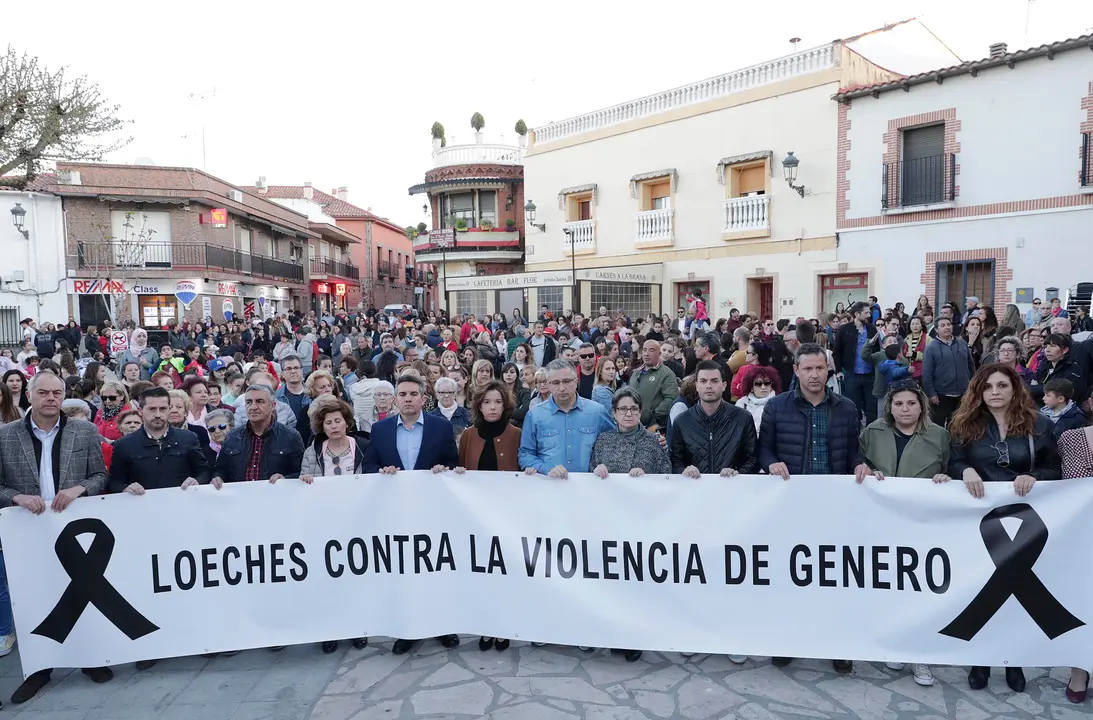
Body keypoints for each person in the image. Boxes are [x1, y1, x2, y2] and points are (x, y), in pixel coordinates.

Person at [0, 371, 113, 704]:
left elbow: (100, 475)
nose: (51, 398)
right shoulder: (5, 436)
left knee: (83, 594)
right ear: (29, 395)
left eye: (57, 393)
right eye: (44, 393)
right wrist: (15, 497)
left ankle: (89, 660)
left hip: (74, 527)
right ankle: (39, 668)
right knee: (35, 599)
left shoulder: (85, 430)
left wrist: (80, 488)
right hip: (28, 532)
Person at [947, 363, 1060, 692]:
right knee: (984, 590)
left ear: (1015, 389)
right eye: (988, 387)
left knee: (1015, 595)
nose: (995, 392)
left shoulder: (1039, 424)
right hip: (980, 521)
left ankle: (1014, 659)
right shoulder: (965, 424)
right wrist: (964, 470)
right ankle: (980, 658)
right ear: (979, 392)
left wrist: (1035, 476)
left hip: (1025, 520)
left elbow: (1055, 467)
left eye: (1002, 385)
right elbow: (954, 461)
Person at [758, 343, 867, 673]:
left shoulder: (846, 407)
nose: (815, 374)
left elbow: (853, 452)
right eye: (808, 368)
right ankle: (789, 640)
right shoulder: (777, 407)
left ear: (828, 370)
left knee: (834, 578)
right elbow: (764, 449)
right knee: (791, 577)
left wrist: (861, 465)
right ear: (797, 370)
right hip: (792, 507)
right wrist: (772, 463)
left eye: (820, 368)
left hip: (834, 506)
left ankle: (837, 644)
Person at [107, 386, 210, 669]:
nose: (158, 414)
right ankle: (152, 645)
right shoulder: (125, 446)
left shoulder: (188, 439)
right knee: (149, 587)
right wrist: (125, 487)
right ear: (141, 411)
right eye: (152, 409)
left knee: (188, 583)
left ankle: (198, 638)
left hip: (183, 526)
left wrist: (196, 481)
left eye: (163, 408)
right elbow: (112, 482)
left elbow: (204, 469)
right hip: (144, 532)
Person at [855, 380, 949, 687]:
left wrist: (945, 476)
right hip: (881, 522)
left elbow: (953, 468)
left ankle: (919, 654)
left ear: (921, 405)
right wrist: (867, 470)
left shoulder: (939, 436)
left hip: (921, 524)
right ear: (889, 407)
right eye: (899, 404)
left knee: (918, 589)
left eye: (911, 403)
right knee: (888, 586)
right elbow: (860, 463)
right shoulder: (872, 433)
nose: (905, 409)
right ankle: (895, 643)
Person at [362, 374, 459, 655]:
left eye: (413, 394)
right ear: (395, 399)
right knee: (404, 572)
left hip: (432, 511)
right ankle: (408, 629)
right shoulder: (380, 430)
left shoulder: (441, 428)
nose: (407, 399)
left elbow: (453, 463)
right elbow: (369, 467)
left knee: (435, 570)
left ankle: (443, 625)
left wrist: (444, 469)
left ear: (423, 398)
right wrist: (382, 473)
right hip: (396, 513)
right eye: (402, 394)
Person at [451, 380, 522, 652]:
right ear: (479, 405)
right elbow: (461, 465)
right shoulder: (469, 434)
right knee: (482, 572)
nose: (492, 407)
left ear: (505, 405)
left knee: (504, 572)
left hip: (508, 516)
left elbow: (524, 462)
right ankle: (486, 626)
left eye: (498, 402)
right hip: (477, 517)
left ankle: (503, 627)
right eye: (487, 402)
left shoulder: (516, 433)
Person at [296, 396, 370, 654]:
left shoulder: (362, 446)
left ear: (346, 422)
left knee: (354, 577)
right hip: (324, 524)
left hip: (357, 522)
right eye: (328, 423)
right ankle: (330, 630)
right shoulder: (312, 452)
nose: (334, 426)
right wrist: (304, 479)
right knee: (328, 578)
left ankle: (357, 627)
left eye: (338, 420)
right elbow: (304, 483)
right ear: (322, 426)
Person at [519, 359, 615, 478]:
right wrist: (545, 469)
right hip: (550, 486)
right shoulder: (534, 415)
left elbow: (616, 445)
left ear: (576, 382)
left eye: (566, 381)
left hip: (590, 486)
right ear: (548, 384)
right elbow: (525, 454)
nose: (561, 388)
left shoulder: (598, 412)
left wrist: (604, 465)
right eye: (555, 383)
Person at [671, 359, 759, 483]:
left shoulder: (742, 418)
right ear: (696, 386)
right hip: (694, 490)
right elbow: (675, 460)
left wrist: (738, 474)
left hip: (732, 490)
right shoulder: (682, 421)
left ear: (724, 385)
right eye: (703, 381)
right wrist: (684, 471)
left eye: (714, 381)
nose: (708, 386)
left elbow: (753, 458)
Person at [211, 383, 304, 487]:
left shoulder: (291, 436)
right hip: (239, 499)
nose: (253, 407)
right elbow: (220, 469)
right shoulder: (232, 436)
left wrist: (285, 479)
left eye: (259, 401)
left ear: (272, 406)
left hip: (275, 498)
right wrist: (218, 478)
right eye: (249, 402)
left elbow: (301, 473)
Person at [922, 316, 974, 428]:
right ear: (936, 329)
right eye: (943, 325)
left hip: (962, 394)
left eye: (948, 324)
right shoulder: (931, 347)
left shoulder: (962, 343)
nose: (947, 327)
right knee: (938, 427)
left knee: (957, 426)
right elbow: (927, 373)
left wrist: (971, 387)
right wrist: (931, 393)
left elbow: (970, 366)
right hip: (941, 395)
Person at [835, 301, 878, 424]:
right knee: (853, 408)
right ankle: (854, 435)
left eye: (869, 312)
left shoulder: (871, 328)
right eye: (866, 313)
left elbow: (877, 350)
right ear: (857, 314)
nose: (869, 315)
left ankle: (870, 435)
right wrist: (838, 371)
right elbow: (837, 352)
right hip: (851, 374)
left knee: (872, 408)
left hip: (869, 374)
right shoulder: (844, 330)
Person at [632, 341, 679, 430]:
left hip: (653, 427)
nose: (647, 354)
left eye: (651, 350)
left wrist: (654, 416)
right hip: (633, 424)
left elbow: (671, 398)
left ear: (659, 354)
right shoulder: (636, 373)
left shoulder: (666, 374)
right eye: (645, 350)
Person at [1030, 333, 1087, 405]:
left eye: (1053, 346)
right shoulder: (1044, 367)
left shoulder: (1073, 370)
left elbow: (1059, 392)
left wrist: (1036, 389)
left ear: (1065, 350)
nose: (1047, 350)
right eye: (1046, 346)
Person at [277, 355, 312, 443]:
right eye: (288, 369)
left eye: (296, 368)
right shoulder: (276, 397)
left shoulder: (313, 394)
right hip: (285, 442)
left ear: (302, 370)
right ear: (282, 374)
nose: (293, 371)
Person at [735, 366, 778, 435]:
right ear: (751, 387)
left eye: (767, 383)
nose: (763, 387)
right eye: (758, 384)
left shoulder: (778, 404)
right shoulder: (742, 404)